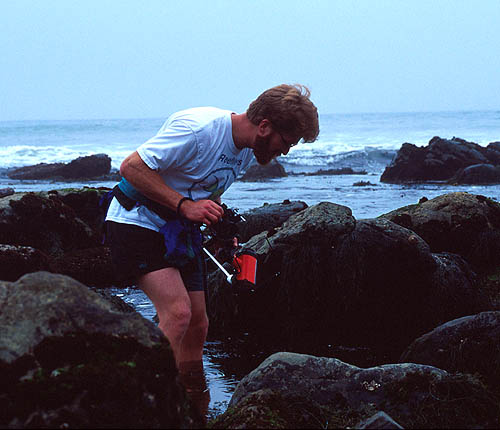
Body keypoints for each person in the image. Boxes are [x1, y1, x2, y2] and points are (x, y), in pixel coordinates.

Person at [104, 83, 319, 419]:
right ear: (265, 126)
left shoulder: (248, 149)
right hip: (136, 220)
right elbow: (131, 167)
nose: (286, 152)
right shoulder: (199, 130)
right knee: (177, 314)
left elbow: (208, 190)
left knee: (198, 325)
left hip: (178, 229)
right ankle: (139, 407)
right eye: (286, 143)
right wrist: (184, 206)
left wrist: (221, 232)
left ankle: (191, 408)